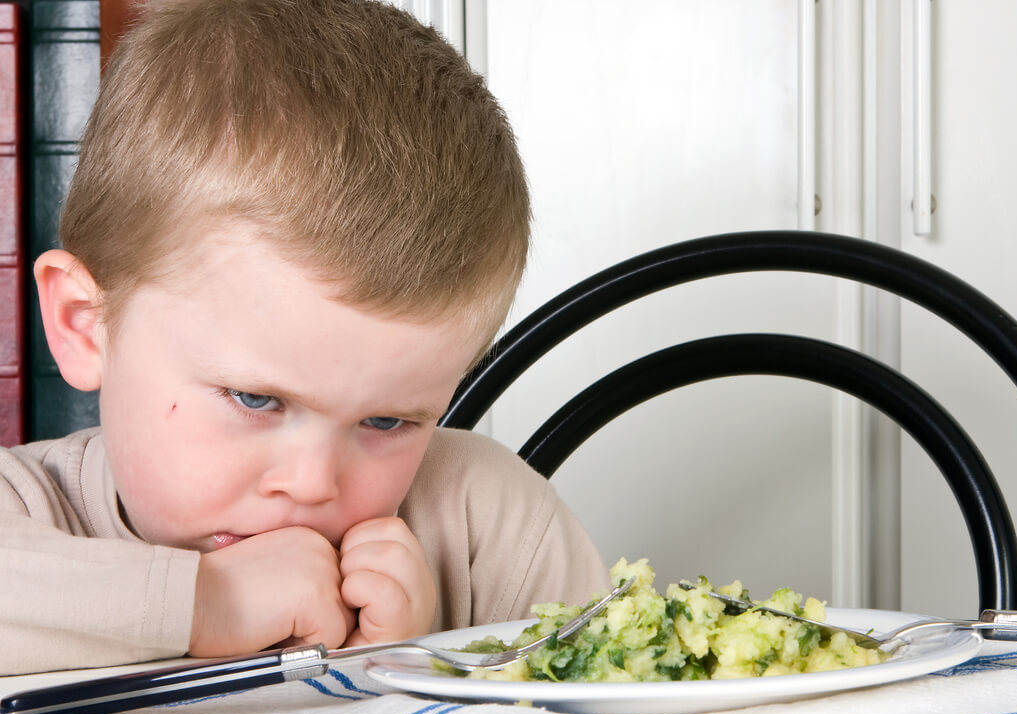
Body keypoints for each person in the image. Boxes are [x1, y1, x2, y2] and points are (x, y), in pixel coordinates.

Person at [0, 0, 608, 676]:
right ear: (86, 324)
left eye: (387, 420)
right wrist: (211, 603)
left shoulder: (486, 529)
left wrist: (429, 664)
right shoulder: (25, 512)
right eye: (257, 400)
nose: (313, 484)